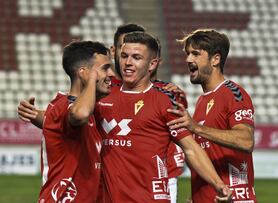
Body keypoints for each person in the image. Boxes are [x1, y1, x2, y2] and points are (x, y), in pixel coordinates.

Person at [95, 31, 231, 202]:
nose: (128, 63)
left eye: (136, 57)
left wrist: (218, 184)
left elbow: (190, 148)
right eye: (124, 56)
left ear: (152, 64)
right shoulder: (101, 96)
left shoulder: (164, 101)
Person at [167, 29, 257, 202]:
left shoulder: (234, 93)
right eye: (187, 54)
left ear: (215, 59)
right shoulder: (202, 101)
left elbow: (246, 140)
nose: (188, 59)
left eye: (195, 54)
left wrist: (196, 127)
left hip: (233, 199)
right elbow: (208, 156)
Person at [18, 40, 114, 202]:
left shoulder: (85, 109)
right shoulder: (66, 106)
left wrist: (38, 116)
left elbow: (61, 122)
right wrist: (91, 80)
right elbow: (78, 114)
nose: (110, 74)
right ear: (83, 73)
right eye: (104, 69)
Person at [111, 23, 187, 203]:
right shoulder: (102, 92)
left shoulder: (167, 94)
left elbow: (187, 143)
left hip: (159, 180)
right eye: (124, 52)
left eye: (137, 55)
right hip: (112, 184)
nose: (129, 60)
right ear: (114, 50)